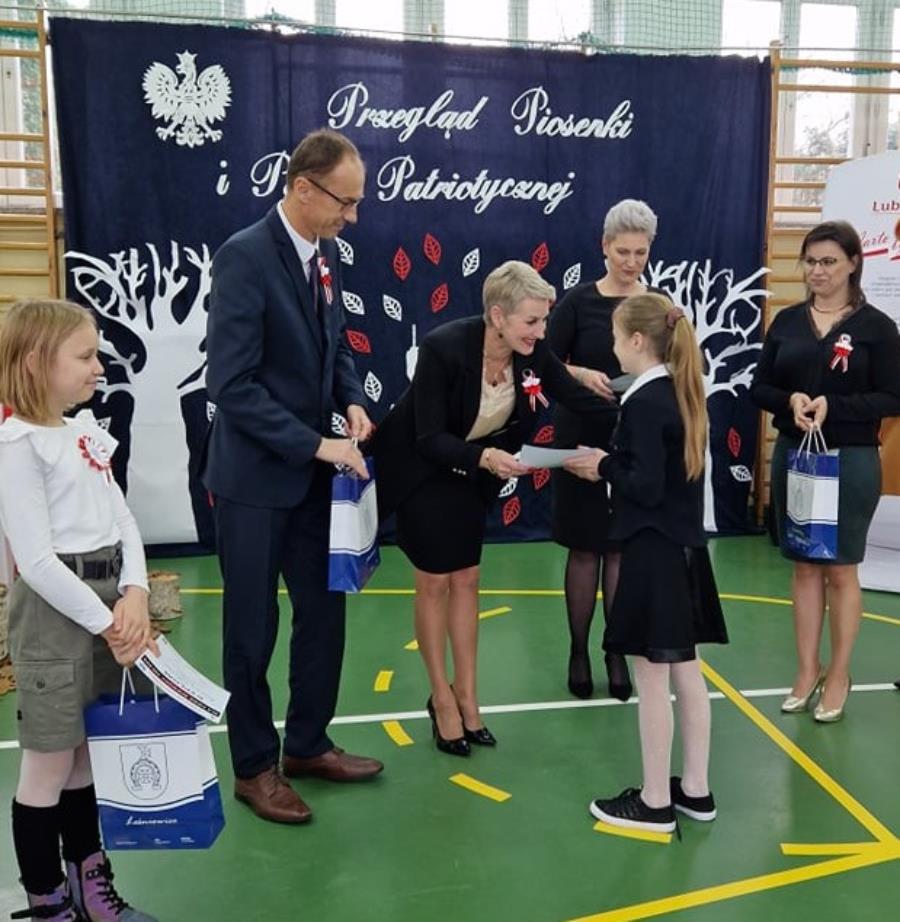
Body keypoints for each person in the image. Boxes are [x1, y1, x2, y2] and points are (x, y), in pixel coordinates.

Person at [201, 128, 382, 825]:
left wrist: (352, 399)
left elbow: (333, 348)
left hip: (311, 478)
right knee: (251, 631)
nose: (352, 216)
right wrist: (318, 445)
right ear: (303, 188)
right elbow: (232, 385)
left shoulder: (323, 254)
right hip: (253, 483)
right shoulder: (244, 257)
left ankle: (307, 744)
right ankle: (254, 767)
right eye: (345, 201)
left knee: (324, 615)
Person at [373, 261, 613, 756]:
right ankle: (441, 698)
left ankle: (468, 695)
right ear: (498, 316)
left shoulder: (531, 351)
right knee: (434, 582)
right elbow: (428, 437)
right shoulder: (443, 347)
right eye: (532, 321)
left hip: (472, 475)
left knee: (468, 579)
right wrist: (484, 458)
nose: (541, 332)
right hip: (423, 471)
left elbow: (576, 398)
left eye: (544, 321)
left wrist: (651, 410)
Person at [0, 299, 158, 921]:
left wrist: (136, 591)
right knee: (48, 764)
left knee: (86, 755)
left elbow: (123, 521)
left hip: (104, 609)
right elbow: (37, 562)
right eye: (85, 356)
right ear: (37, 362)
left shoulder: (83, 432)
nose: (99, 367)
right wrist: (110, 621)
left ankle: (91, 888)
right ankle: (48, 903)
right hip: (54, 617)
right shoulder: (17, 445)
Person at [565, 293, 728, 833]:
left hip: (653, 550)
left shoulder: (644, 401)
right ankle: (696, 790)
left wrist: (602, 465)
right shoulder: (680, 390)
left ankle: (655, 800)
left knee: (652, 679)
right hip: (683, 550)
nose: (613, 348)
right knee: (687, 672)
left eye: (616, 339)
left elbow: (646, 486)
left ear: (637, 340)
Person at [751, 220, 900, 722]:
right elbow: (760, 387)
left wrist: (836, 407)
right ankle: (806, 668)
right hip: (796, 457)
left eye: (829, 261)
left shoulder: (877, 328)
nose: (818, 271)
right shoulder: (787, 322)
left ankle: (839, 673)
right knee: (804, 566)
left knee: (840, 568)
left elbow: (893, 396)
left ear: (854, 263)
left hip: (851, 460)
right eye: (811, 262)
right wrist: (790, 400)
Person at [548, 198, 659, 701]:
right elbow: (542, 360)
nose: (631, 262)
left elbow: (673, 364)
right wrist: (578, 373)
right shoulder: (576, 302)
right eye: (623, 251)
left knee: (619, 549)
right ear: (604, 247)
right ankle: (577, 650)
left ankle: (616, 651)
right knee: (584, 548)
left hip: (635, 437)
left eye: (640, 252)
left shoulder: (656, 305)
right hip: (580, 434)